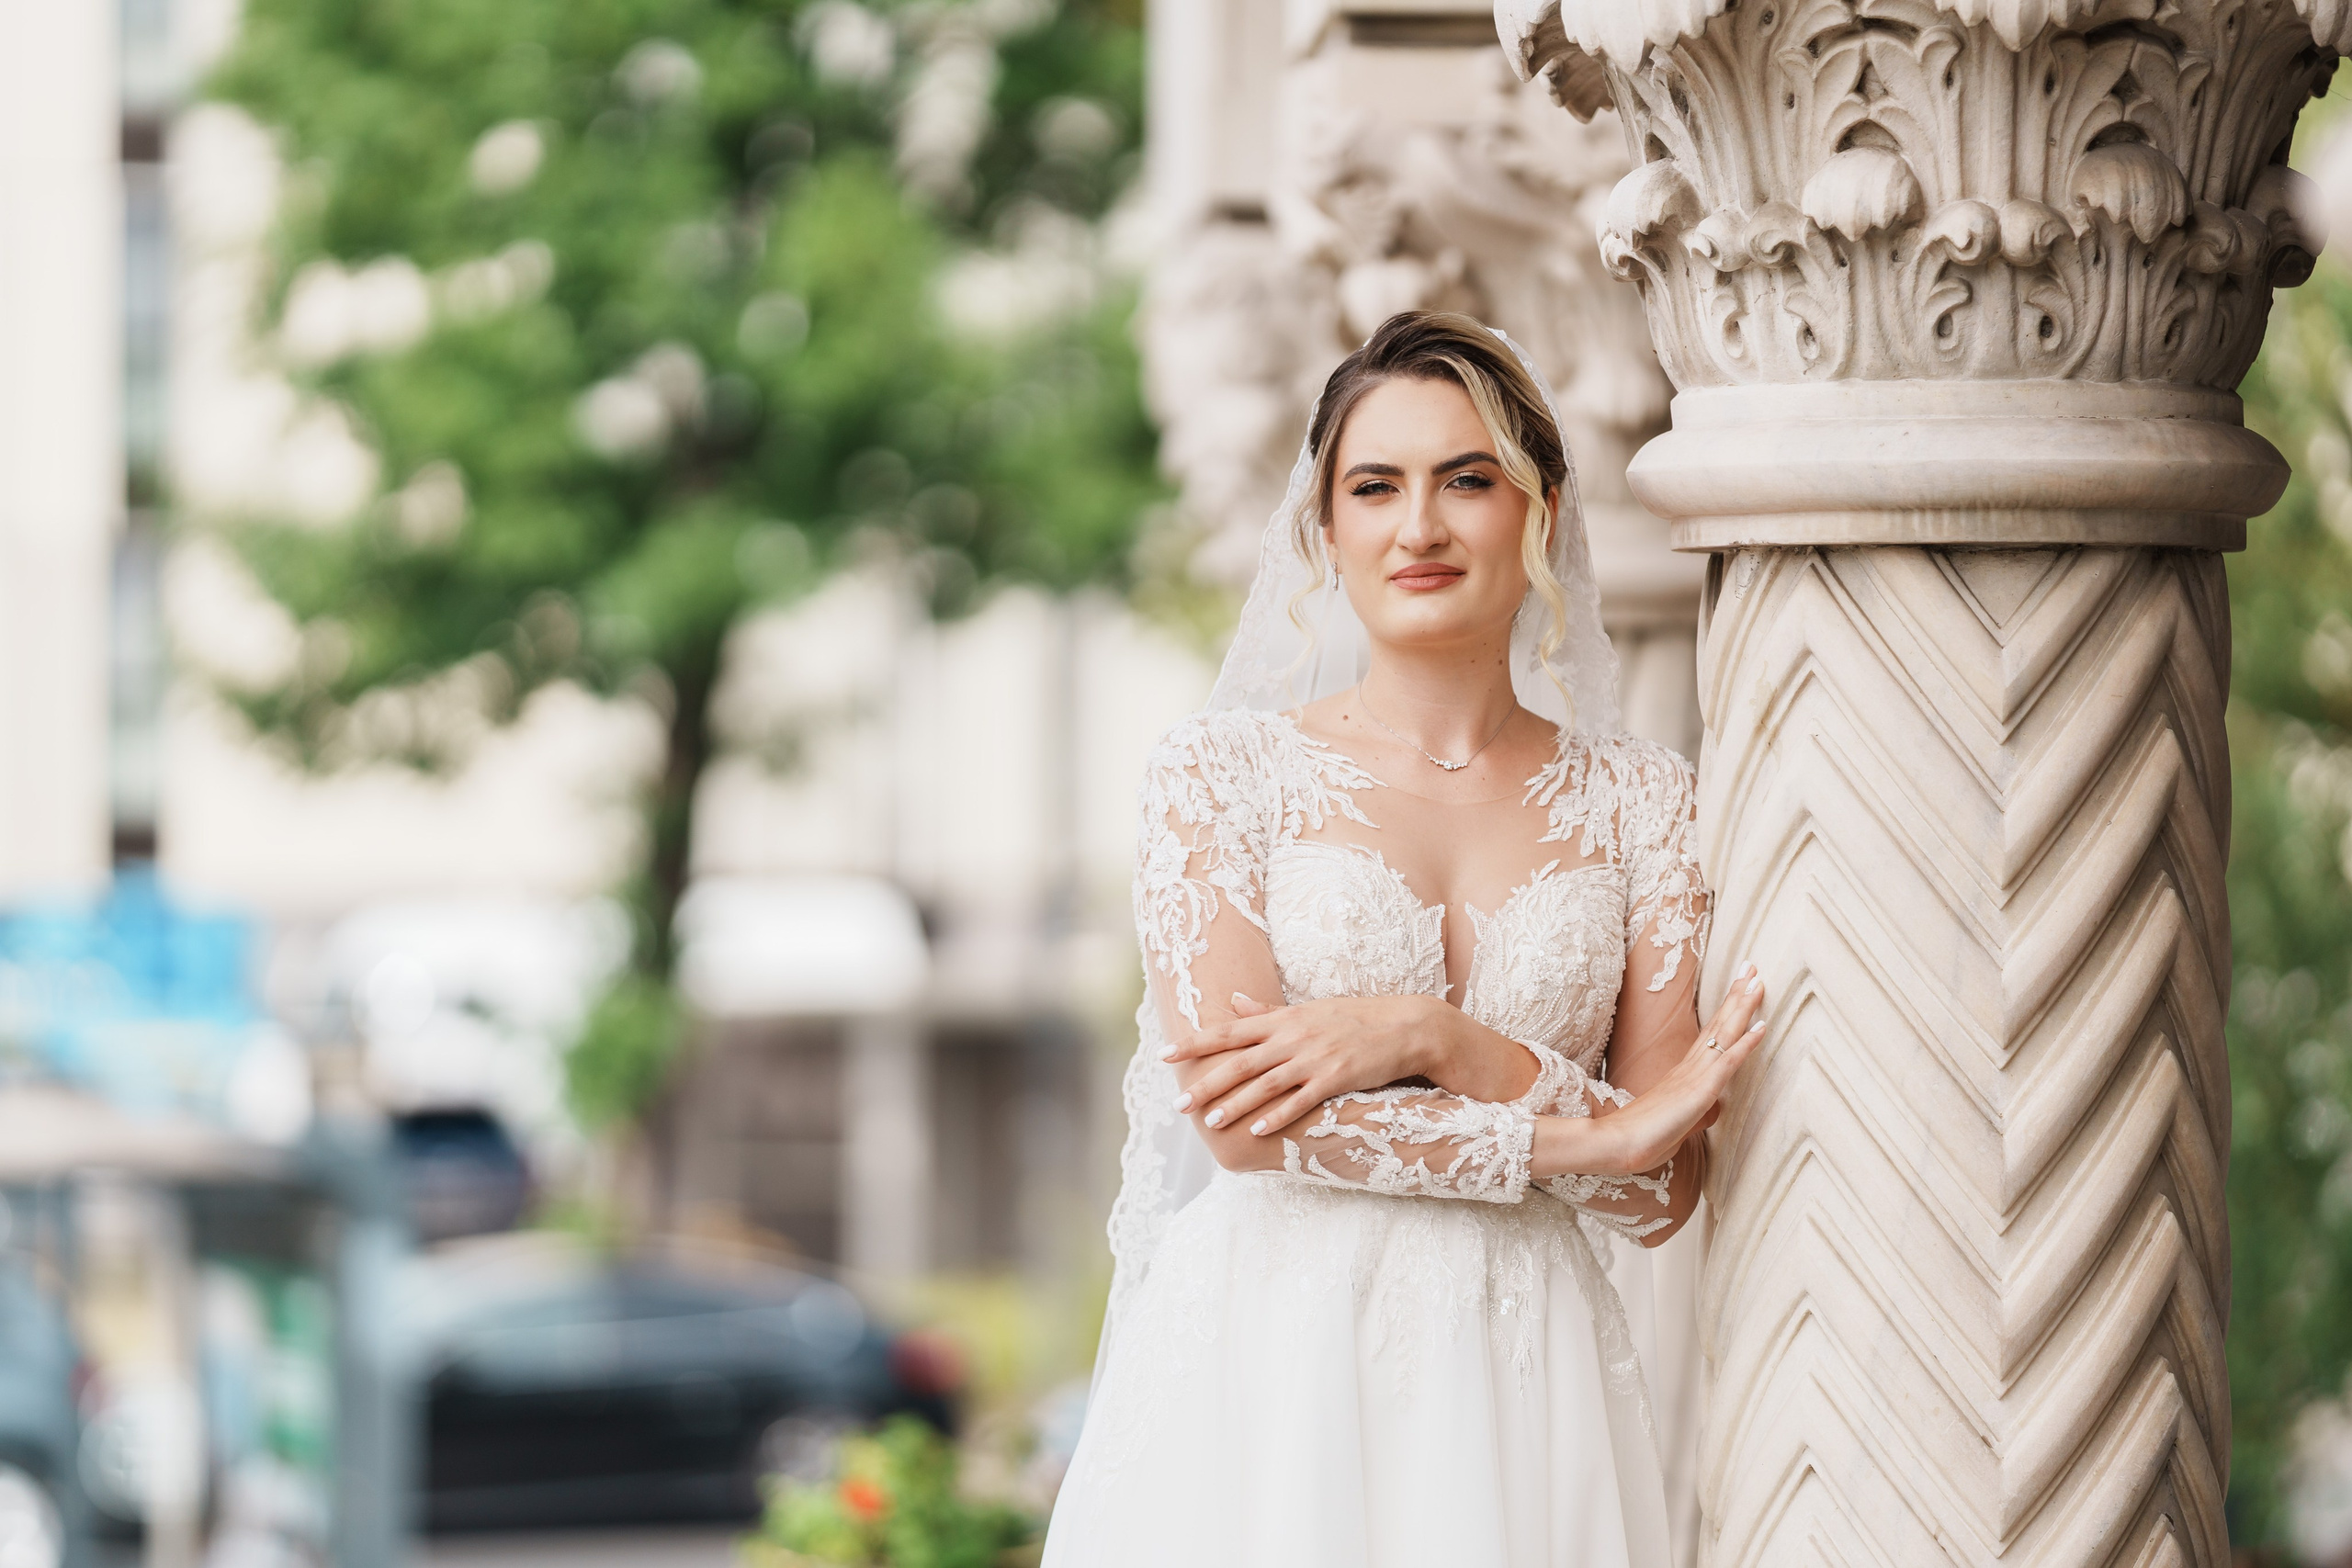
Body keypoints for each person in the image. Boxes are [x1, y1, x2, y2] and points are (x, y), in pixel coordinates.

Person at [1040, 311, 1764, 1568]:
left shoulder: (1646, 800)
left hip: (1525, 1359)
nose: (1418, 527)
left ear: (1539, 511)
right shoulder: (1222, 777)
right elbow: (1246, 1122)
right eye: (1375, 487)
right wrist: (1581, 1132)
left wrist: (1438, 1039)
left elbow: (1660, 1184)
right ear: (1326, 531)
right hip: (1271, 1363)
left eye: (1466, 481)